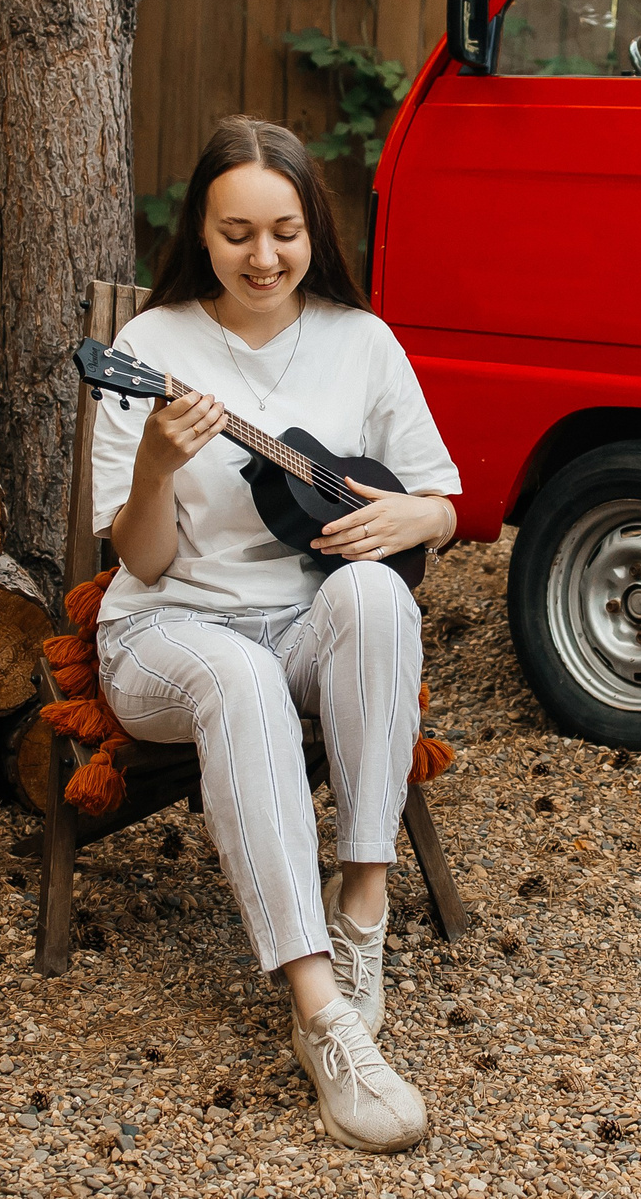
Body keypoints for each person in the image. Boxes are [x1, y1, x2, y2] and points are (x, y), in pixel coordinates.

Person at [89, 116, 460, 1153]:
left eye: (284, 231)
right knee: (243, 676)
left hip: (306, 621)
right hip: (169, 631)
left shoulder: (360, 339)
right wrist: (157, 465)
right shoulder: (150, 349)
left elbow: (446, 502)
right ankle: (323, 1018)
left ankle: (362, 920)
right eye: (236, 232)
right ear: (198, 235)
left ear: (314, 229)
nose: (263, 257)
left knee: (379, 596)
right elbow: (144, 561)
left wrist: (413, 519)